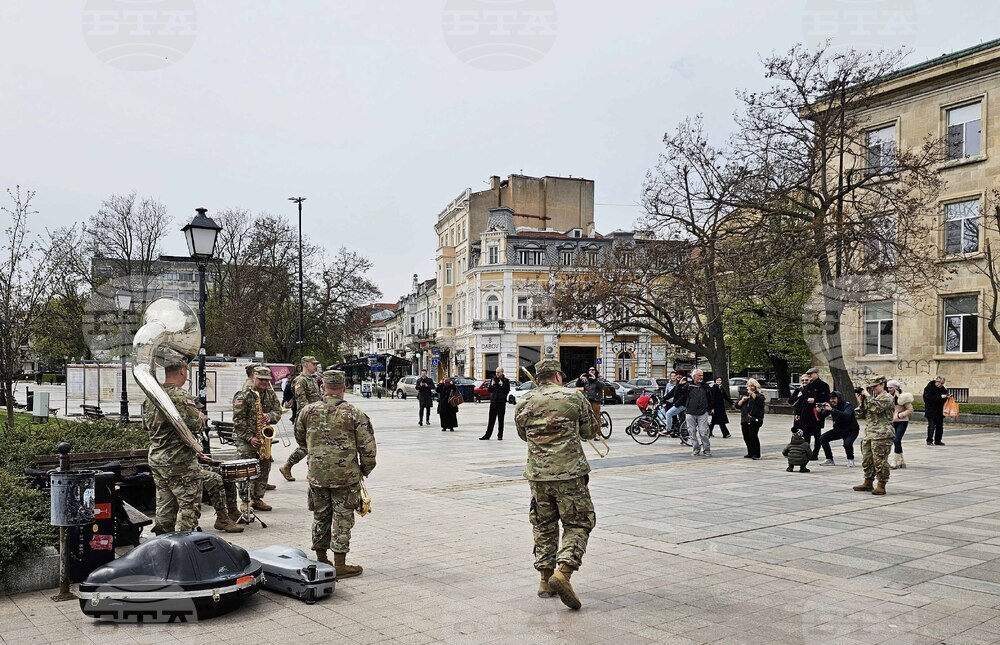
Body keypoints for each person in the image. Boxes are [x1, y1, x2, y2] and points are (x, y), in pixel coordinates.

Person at [514, 358, 598, 610]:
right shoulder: (573, 398)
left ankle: (544, 580)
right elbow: (589, 431)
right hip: (570, 474)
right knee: (578, 522)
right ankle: (563, 572)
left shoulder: (524, 401)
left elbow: (522, 435)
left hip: (538, 476)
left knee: (543, 525)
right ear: (559, 376)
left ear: (539, 378)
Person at [295, 369, 377, 577]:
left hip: (317, 476)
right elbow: (368, 448)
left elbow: (300, 439)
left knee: (320, 516)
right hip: (345, 477)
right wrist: (364, 470)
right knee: (342, 518)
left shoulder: (307, 411)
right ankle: (339, 564)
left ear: (323, 388)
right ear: (343, 387)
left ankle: (322, 560)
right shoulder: (354, 413)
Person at [141, 358, 208, 533]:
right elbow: (196, 425)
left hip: (157, 458)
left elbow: (145, 426)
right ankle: (183, 546)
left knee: (165, 503)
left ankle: (162, 544)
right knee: (189, 506)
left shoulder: (151, 396)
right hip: (179, 461)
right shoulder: (181, 397)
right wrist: (201, 418)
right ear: (182, 372)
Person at [233, 366, 282, 511]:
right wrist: (250, 438)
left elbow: (278, 411)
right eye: (261, 379)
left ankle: (258, 498)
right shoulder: (243, 395)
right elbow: (237, 420)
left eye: (267, 380)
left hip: (263, 438)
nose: (264, 383)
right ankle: (245, 501)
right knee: (246, 470)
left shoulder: (270, 394)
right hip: (246, 439)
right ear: (254, 377)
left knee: (264, 468)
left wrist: (270, 416)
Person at [279, 356, 323, 482]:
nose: (315, 366)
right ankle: (287, 466)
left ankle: (313, 472)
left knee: (314, 446)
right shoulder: (300, 380)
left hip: (316, 417)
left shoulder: (313, 379)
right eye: (313, 364)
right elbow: (302, 402)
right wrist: (311, 418)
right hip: (305, 418)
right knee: (306, 447)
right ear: (305, 364)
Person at [853, 377, 896, 495]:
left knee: (880, 461)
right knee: (867, 459)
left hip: (882, 434)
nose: (873, 389)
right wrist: (860, 402)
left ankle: (881, 484)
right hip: (870, 433)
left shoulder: (887, 397)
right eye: (871, 387)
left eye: (875, 386)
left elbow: (878, 408)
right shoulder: (873, 398)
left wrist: (867, 395)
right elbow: (861, 414)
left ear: (882, 385)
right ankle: (868, 482)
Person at [788, 367, 830, 460]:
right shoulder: (807, 386)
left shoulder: (823, 385)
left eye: (811, 375)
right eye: (808, 375)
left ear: (816, 374)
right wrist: (798, 413)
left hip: (816, 414)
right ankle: (808, 452)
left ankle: (815, 454)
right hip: (805, 414)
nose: (809, 376)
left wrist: (815, 400)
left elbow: (826, 399)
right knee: (806, 435)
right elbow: (802, 402)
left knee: (817, 435)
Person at [818, 391, 860, 467]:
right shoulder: (832, 406)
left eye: (833, 398)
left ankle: (850, 459)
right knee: (823, 438)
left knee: (847, 444)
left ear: (839, 398)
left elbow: (846, 416)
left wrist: (832, 410)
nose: (831, 400)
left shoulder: (847, 405)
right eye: (830, 399)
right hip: (839, 429)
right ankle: (829, 459)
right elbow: (822, 416)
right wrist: (820, 410)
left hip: (851, 430)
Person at [199, 466, 243, 533]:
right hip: (183, 469)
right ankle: (222, 518)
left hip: (193, 466)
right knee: (215, 478)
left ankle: (233, 511)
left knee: (225, 472)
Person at [683, 370, 714, 457]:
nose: (701, 377)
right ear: (694, 376)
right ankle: (696, 449)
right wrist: (679, 385)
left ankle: (706, 449)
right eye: (699, 375)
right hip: (690, 412)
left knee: (703, 432)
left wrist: (710, 408)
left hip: (703, 412)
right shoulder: (688, 386)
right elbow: (679, 394)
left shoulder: (705, 386)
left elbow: (710, 398)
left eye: (702, 375)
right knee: (692, 432)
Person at [736, 378, 766, 459]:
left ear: (756, 387)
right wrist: (742, 400)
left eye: (752, 386)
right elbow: (737, 405)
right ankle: (750, 452)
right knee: (746, 436)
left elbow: (760, 401)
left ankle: (756, 453)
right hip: (745, 419)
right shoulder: (745, 395)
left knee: (753, 435)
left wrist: (752, 394)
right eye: (749, 386)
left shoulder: (759, 395)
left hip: (754, 419)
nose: (750, 387)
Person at [888, 380, 914, 470]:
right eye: (888, 387)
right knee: (895, 441)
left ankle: (894, 461)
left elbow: (910, 409)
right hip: (892, 422)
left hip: (902, 421)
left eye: (891, 387)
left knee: (896, 440)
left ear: (896, 387)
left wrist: (900, 415)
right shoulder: (888, 396)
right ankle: (901, 461)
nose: (889, 389)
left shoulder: (903, 397)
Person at [658, 372, 690, 445]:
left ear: (684, 377)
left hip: (682, 405)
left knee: (669, 413)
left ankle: (668, 430)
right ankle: (684, 437)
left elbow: (684, 396)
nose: (678, 377)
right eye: (677, 375)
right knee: (682, 420)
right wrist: (663, 399)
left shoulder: (686, 385)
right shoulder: (678, 384)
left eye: (680, 375)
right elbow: (671, 393)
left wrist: (676, 403)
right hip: (679, 404)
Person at [480, 367, 511, 440]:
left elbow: (506, 391)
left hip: (501, 402)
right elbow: (490, 390)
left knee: (501, 420)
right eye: (496, 372)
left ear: (502, 372)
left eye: (498, 372)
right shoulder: (493, 379)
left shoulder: (506, 381)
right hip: (493, 402)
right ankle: (487, 435)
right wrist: (491, 385)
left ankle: (500, 435)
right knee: (491, 420)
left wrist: (502, 385)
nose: (497, 374)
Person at [923, 376, 949, 446]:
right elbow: (927, 399)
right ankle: (929, 440)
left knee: (940, 427)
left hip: (940, 410)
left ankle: (938, 440)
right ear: (937, 382)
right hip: (931, 410)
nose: (942, 385)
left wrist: (947, 397)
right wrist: (940, 397)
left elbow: (945, 397)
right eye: (941, 383)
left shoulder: (943, 389)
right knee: (931, 426)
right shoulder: (929, 388)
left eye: (943, 383)